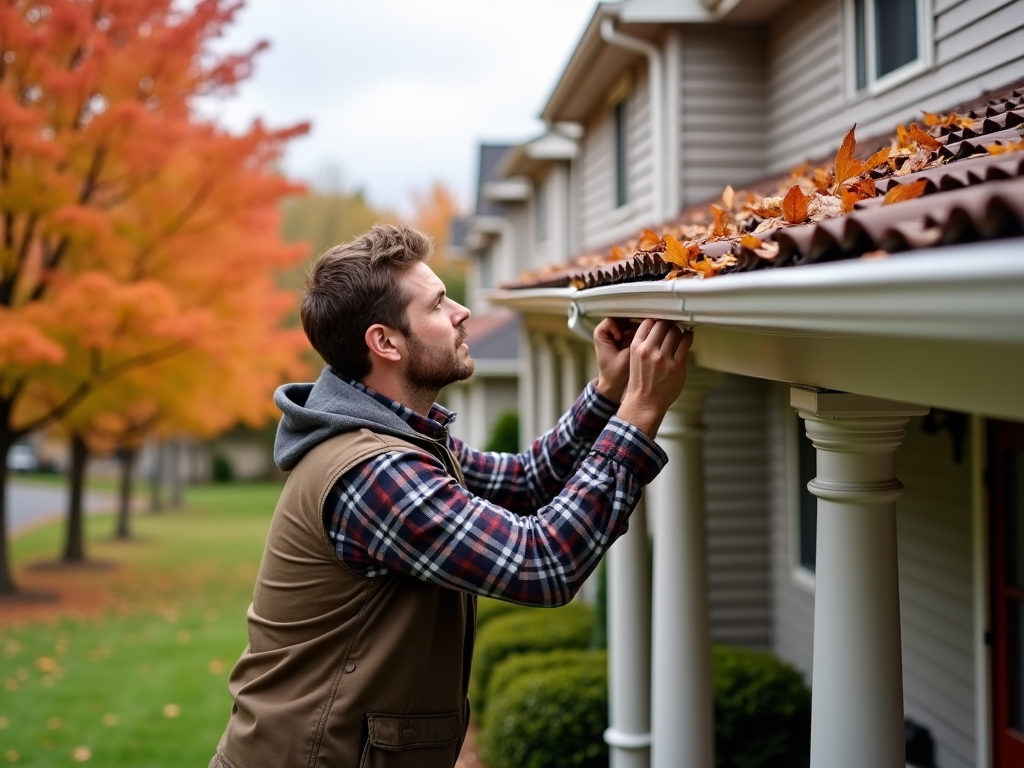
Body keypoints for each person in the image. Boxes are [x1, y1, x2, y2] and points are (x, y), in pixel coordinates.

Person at [210, 224, 692, 768]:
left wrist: (609, 393)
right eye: (439, 305)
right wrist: (640, 413)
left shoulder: (397, 439)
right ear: (385, 342)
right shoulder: (374, 473)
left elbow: (525, 483)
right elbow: (543, 563)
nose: (462, 312)